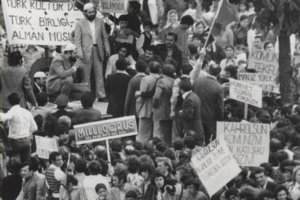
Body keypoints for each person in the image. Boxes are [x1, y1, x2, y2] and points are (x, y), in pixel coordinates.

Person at [75, 3, 110, 102]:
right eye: (90, 12)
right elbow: (77, 40)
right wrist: (80, 52)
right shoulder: (80, 23)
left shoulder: (100, 21)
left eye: (94, 12)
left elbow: (104, 37)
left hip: (98, 50)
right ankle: (87, 96)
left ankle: (101, 95)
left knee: (99, 74)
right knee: (86, 76)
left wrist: (107, 49)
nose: (92, 14)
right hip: (85, 52)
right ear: (85, 13)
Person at [0, 93, 37, 162]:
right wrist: (27, 134)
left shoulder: (12, 111)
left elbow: (3, 118)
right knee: (25, 164)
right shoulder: (27, 112)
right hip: (26, 141)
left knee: (14, 164)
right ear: (19, 101)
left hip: (15, 142)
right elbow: (35, 128)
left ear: (9, 102)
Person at [193, 63, 224, 144]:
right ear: (219, 73)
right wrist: (220, 120)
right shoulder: (218, 87)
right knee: (207, 141)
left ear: (208, 70)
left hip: (194, 115)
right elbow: (220, 107)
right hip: (209, 119)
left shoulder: (197, 81)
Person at [136, 61, 161, 144]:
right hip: (157, 109)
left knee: (143, 136)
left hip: (146, 108)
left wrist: (138, 109)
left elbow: (141, 97)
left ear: (149, 69)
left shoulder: (146, 79)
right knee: (155, 135)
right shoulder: (161, 79)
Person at [153, 63, 175, 146]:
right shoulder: (174, 81)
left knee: (159, 134)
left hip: (161, 110)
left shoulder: (161, 81)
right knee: (168, 134)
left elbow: (156, 96)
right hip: (171, 110)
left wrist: (154, 105)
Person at [178, 79, 204, 146]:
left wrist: (180, 112)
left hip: (192, 129)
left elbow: (188, 115)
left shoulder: (189, 99)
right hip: (196, 128)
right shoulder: (194, 95)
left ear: (181, 90)